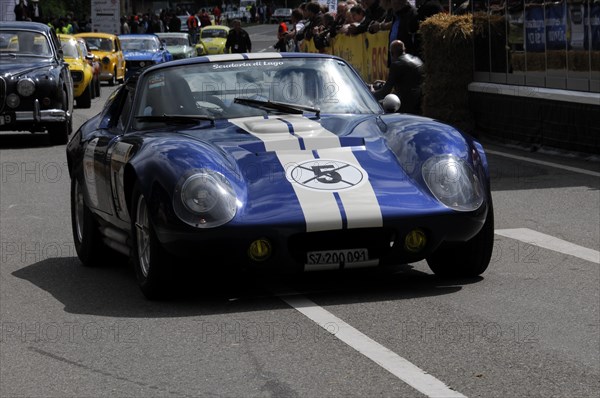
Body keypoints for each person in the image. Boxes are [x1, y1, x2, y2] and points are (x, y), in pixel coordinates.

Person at [370, 40, 424, 114]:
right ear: (404, 50)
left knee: (378, 106)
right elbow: (408, 81)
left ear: (391, 53)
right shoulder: (417, 60)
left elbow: (385, 92)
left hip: (404, 104)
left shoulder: (396, 64)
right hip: (420, 102)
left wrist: (371, 94)